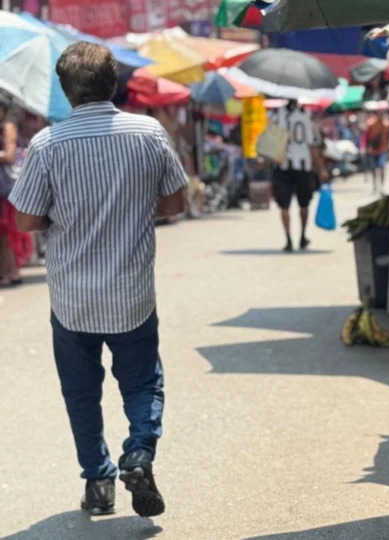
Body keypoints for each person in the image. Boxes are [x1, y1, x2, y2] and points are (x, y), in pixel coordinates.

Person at [9, 43, 188, 518]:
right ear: (115, 85)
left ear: (66, 91)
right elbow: (175, 205)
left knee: (81, 393)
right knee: (143, 384)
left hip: (72, 299)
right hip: (131, 293)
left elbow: (25, 223)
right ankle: (139, 454)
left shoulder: (48, 145)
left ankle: (99, 483)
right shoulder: (147, 132)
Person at [270, 101, 327, 252]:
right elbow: (313, 145)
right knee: (303, 205)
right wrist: (321, 168)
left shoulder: (277, 115)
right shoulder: (306, 116)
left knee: (285, 206)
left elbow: (270, 142)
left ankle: (289, 238)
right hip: (302, 165)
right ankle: (302, 236)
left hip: (283, 166)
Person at [0, 94, 27, 287]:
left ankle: (12, 271)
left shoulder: (8, 127)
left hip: (6, 187)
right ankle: (6, 271)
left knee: (7, 231)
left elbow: (9, 155)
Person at [365, 110, 389, 192]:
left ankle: (382, 186)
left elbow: (388, 137)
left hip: (383, 149)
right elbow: (367, 137)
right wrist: (367, 148)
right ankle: (374, 185)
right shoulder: (370, 124)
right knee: (374, 169)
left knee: (382, 167)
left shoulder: (387, 124)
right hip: (373, 150)